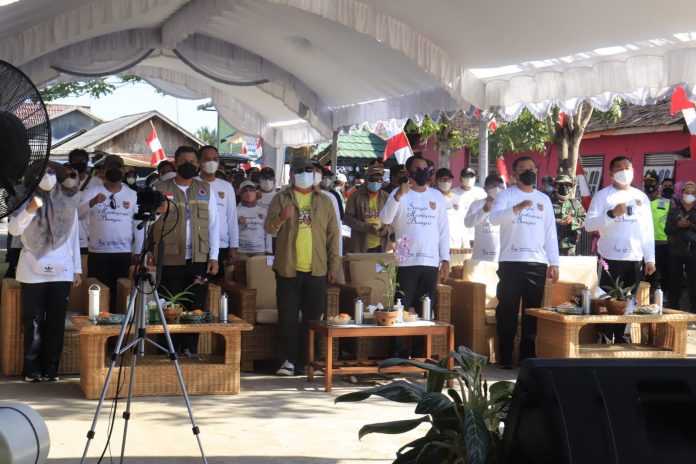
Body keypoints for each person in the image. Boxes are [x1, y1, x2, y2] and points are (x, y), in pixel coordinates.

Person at [264, 157, 340, 376]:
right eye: (300, 170)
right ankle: (287, 361)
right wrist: (281, 216)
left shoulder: (325, 200)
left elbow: (333, 236)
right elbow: (269, 228)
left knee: (313, 319)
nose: (306, 174)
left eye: (309, 170)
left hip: (317, 269)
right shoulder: (281, 197)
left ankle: (309, 361)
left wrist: (333, 266)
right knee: (287, 317)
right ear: (291, 175)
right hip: (287, 268)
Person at [10, 161, 82, 382]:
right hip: (32, 268)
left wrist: (77, 270)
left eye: (52, 172)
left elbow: (74, 239)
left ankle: (51, 368)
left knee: (56, 320)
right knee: (33, 320)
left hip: (62, 270)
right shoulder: (23, 200)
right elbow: (14, 230)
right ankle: (32, 368)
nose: (48, 176)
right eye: (44, 172)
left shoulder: (68, 203)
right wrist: (30, 210)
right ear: (34, 177)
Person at [489, 156, 560, 368]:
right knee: (507, 309)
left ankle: (527, 356)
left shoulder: (544, 199)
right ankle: (505, 356)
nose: (528, 171)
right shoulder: (507, 195)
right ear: (514, 174)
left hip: (536, 263)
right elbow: (494, 218)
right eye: (523, 168)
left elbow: (550, 233)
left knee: (532, 311)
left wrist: (554, 262)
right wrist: (517, 208)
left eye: (531, 168)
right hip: (511, 261)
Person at [380, 155, 450, 357]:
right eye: (418, 169)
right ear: (408, 172)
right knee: (399, 309)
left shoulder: (436, 196)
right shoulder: (399, 193)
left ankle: (421, 356)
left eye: (426, 168)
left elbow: (443, 230)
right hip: (406, 261)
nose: (423, 172)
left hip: (430, 262)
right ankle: (396, 356)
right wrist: (398, 195)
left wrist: (445, 259)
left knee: (425, 310)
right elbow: (385, 218)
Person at [153, 146, 219, 357]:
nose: (188, 165)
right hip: (169, 257)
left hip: (198, 258)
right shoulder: (160, 188)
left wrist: (214, 256)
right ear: (175, 164)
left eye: (192, 162)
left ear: (198, 164)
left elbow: (214, 225)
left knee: (195, 304)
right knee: (169, 304)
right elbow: (149, 222)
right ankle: (168, 349)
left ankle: (190, 348)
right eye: (183, 162)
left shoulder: (205, 189)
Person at [585, 156, 655, 342]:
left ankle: (623, 335)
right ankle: (605, 335)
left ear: (633, 171)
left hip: (634, 257)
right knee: (606, 298)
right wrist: (611, 214)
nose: (624, 171)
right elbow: (589, 224)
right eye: (618, 168)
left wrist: (650, 258)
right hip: (609, 257)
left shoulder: (641, 197)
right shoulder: (603, 195)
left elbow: (647, 230)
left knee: (629, 300)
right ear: (610, 173)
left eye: (627, 167)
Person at [79, 155, 143, 311]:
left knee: (120, 294)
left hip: (123, 253)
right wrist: (92, 202)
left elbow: (138, 225)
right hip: (98, 253)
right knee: (97, 294)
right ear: (103, 170)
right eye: (110, 167)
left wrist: (138, 251)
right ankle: (97, 324)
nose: (114, 170)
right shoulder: (92, 192)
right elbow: (78, 215)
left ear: (123, 170)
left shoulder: (133, 195)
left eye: (118, 167)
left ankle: (118, 325)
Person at [198, 145, 238, 278]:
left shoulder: (226, 187)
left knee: (218, 286)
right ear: (199, 162)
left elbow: (232, 218)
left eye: (215, 159)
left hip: (222, 246)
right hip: (199, 245)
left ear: (219, 162)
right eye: (207, 159)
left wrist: (233, 246)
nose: (212, 162)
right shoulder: (193, 184)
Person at [344, 164, 391, 253]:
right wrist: (367, 227)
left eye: (379, 179)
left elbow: (394, 220)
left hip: (382, 246)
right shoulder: (355, 197)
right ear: (366, 179)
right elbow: (347, 219)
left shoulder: (386, 197)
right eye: (372, 179)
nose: (376, 182)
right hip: (361, 246)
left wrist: (387, 229)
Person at [665, 181, 696, 312]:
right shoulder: (674, 211)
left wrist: (690, 225)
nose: (690, 195)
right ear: (682, 194)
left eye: (693, 193)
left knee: (694, 282)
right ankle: (673, 309)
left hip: (693, 252)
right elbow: (667, 230)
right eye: (687, 192)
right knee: (674, 281)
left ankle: (694, 310)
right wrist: (678, 226)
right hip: (675, 252)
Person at [464, 174, 504, 262]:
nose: (497, 188)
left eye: (499, 185)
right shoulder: (477, 204)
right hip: (480, 257)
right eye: (493, 185)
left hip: (501, 257)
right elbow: (467, 223)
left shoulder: (506, 206)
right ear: (485, 189)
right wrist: (483, 211)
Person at [69, 148, 102, 255]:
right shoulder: (63, 181)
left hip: (87, 236)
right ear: (70, 162)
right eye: (76, 160)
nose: (79, 163)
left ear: (87, 162)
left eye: (82, 160)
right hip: (67, 235)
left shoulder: (97, 183)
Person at [552, 174, 586, 256]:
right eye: (560, 184)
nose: (564, 187)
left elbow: (585, 219)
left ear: (571, 187)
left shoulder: (575, 203)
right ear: (555, 186)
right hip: (551, 243)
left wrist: (572, 221)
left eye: (567, 185)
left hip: (569, 245)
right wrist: (558, 222)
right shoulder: (548, 202)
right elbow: (541, 220)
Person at [452, 167, 486, 248]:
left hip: (476, 231)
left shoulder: (480, 192)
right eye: (466, 176)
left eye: (471, 176)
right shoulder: (453, 192)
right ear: (461, 178)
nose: (469, 179)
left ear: (475, 178)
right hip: (459, 232)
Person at [649, 175, 672, 297]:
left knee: (666, 270)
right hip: (652, 242)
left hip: (667, 242)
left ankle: (663, 294)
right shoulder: (654, 202)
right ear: (661, 187)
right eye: (665, 186)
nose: (668, 188)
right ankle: (648, 293)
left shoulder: (677, 203)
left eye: (670, 186)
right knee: (651, 270)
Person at [435, 168, 466, 249]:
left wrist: (465, 245)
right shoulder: (432, 198)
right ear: (436, 181)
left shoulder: (458, 199)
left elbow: (462, 222)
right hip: (436, 243)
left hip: (455, 244)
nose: (446, 182)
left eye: (448, 179)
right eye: (443, 179)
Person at [236, 180, 267, 257]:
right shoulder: (236, 210)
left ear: (255, 192)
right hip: (241, 251)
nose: (249, 193)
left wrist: (269, 250)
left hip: (260, 251)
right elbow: (232, 231)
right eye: (245, 191)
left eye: (251, 190)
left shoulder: (263, 210)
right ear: (240, 194)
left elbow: (268, 232)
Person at [258, 166, 277, 254]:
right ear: (260, 180)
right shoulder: (253, 195)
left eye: (270, 178)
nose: (267, 180)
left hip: (275, 236)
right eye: (264, 177)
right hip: (258, 236)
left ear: (274, 180)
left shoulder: (279, 196)